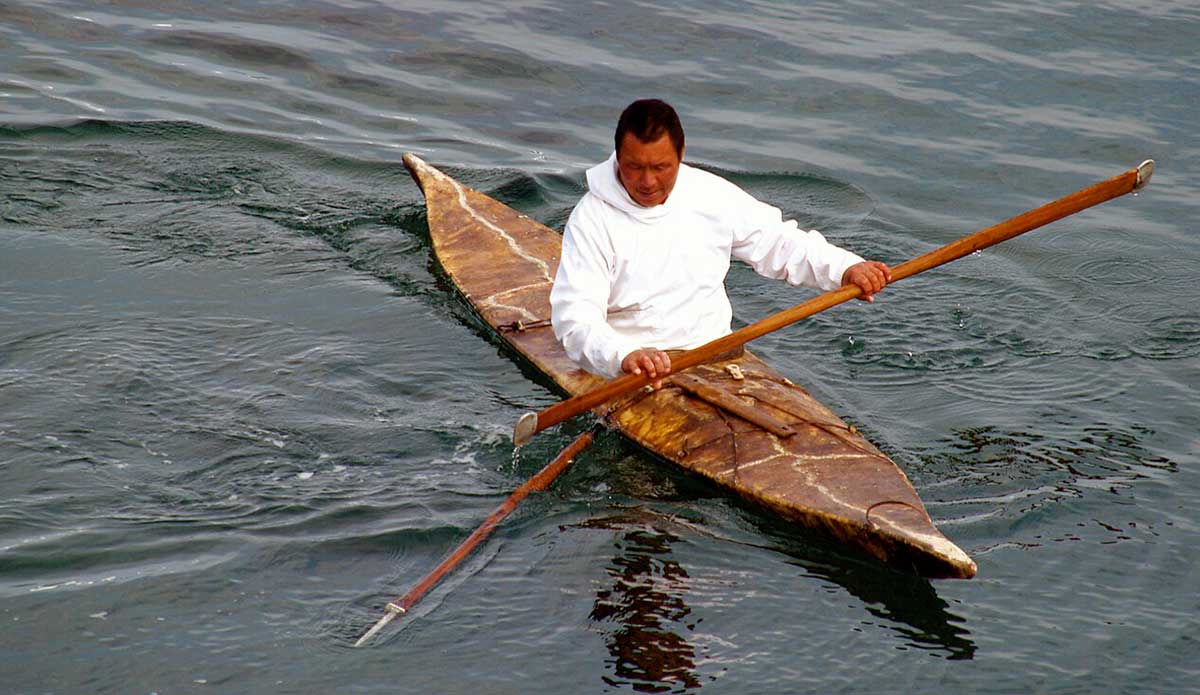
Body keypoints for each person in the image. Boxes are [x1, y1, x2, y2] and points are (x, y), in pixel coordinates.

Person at [550, 98, 890, 386]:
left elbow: (779, 242)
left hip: (717, 358)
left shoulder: (710, 193)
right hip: (633, 372)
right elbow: (576, 319)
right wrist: (624, 356)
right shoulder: (591, 220)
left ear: (681, 153)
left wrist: (846, 268)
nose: (647, 181)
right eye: (634, 167)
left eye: (660, 167)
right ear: (618, 156)